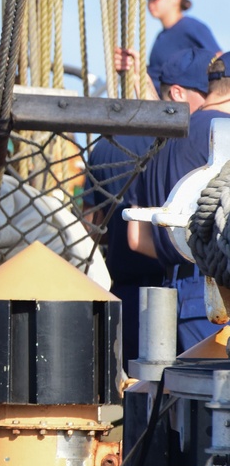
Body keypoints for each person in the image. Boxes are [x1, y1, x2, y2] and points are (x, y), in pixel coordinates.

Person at [126, 48, 228, 351]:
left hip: (171, 299)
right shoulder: (223, 135)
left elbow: (136, 238)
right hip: (216, 294)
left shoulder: (159, 143)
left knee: (176, 393)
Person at [84, 133, 165, 367]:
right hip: (170, 281)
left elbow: (91, 223)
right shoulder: (170, 141)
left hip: (122, 284)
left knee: (129, 381)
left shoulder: (103, 148)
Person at [143, 0, 218, 90]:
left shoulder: (190, 27)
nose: (151, 3)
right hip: (157, 104)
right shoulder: (161, 36)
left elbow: (219, 61)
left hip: (179, 105)